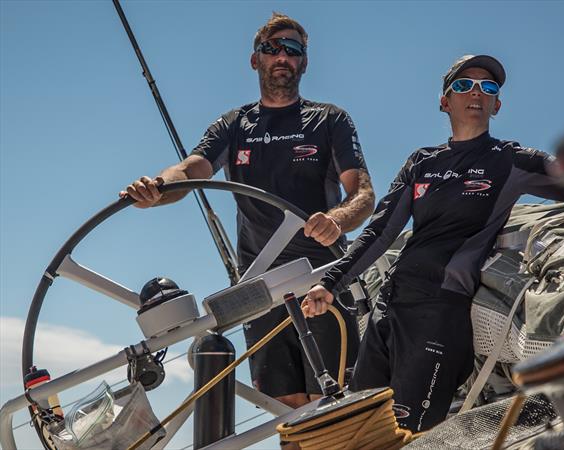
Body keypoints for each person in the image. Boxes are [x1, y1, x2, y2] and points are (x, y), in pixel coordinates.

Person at [302, 54, 564, 432]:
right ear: (445, 101)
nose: (476, 92)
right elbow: (379, 232)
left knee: (411, 437)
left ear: (497, 104)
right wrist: (330, 283)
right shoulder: (420, 163)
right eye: (463, 85)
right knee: (360, 430)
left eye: (488, 87)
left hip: (440, 314)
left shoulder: (511, 160)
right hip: (388, 307)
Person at [121, 12, 375, 409]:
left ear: (304, 62)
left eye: (293, 50)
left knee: (333, 403)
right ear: (254, 59)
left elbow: (362, 193)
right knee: (287, 409)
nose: (281, 56)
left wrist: (337, 219)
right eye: (270, 48)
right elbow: (190, 170)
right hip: (259, 288)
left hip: (322, 278)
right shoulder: (233, 125)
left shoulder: (330, 120)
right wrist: (158, 187)